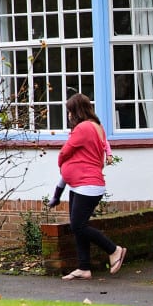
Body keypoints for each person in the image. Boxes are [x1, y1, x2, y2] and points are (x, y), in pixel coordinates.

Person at [48, 93, 126, 281]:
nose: (68, 115)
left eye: (69, 111)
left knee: (78, 226)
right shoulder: (96, 126)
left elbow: (65, 151)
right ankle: (84, 268)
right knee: (78, 226)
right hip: (80, 184)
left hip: (88, 185)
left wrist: (61, 162)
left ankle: (114, 250)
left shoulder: (83, 128)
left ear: (76, 111)